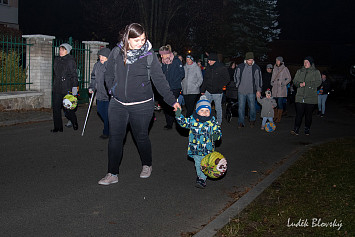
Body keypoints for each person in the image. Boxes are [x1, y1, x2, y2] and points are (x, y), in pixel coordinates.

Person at [98, 23, 181, 185]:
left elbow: (159, 80)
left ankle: (147, 164)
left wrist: (172, 100)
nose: (140, 43)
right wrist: (112, 89)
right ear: (126, 39)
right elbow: (108, 73)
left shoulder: (148, 55)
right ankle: (112, 173)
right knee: (115, 139)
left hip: (142, 105)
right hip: (118, 104)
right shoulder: (116, 52)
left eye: (143, 39)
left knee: (141, 137)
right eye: (136, 40)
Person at [175, 95, 222, 188]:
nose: (204, 113)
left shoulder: (212, 121)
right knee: (197, 164)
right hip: (195, 148)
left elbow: (218, 131)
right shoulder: (193, 120)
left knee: (204, 164)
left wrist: (216, 135)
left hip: (207, 149)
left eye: (207, 110)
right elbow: (183, 123)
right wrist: (178, 115)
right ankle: (200, 176)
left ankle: (202, 179)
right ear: (197, 111)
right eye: (202, 110)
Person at [51, 43, 78, 133]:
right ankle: (58, 127)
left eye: (63, 50)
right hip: (57, 87)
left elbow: (74, 75)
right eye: (60, 50)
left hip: (67, 87)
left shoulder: (70, 60)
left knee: (68, 108)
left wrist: (74, 88)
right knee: (56, 108)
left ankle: (74, 121)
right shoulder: (56, 60)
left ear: (67, 51)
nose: (61, 52)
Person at [291, 56, 322, 136]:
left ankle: (307, 129)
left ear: (311, 63)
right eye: (304, 62)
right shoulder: (300, 71)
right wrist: (299, 84)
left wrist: (307, 84)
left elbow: (318, 82)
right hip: (300, 96)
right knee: (299, 114)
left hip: (310, 97)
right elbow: (295, 81)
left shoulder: (316, 72)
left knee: (308, 115)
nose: (305, 64)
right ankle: (296, 129)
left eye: (307, 62)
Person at [159, 44, 185, 130]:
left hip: (175, 87)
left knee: (172, 104)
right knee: (166, 105)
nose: (161, 56)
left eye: (162, 54)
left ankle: (176, 120)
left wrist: (174, 81)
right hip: (166, 87)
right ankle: (169, 123)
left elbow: (182, 74)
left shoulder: (176, 61)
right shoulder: (163, 62)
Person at [234, 52, 262, 128]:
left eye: (252, 60)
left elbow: (258, 80)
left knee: (252, 107)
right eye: (249, 60)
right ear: (246, 59)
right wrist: (238, 85)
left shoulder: (256, 68)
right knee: (241, 107)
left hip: (251, 91)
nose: (250, 62)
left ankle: (252, 120)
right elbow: (236, 76)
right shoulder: (240, 67)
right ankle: (241, 122)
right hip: (241, 91)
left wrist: (258, 90)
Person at [200, 53, 230, 124]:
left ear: (214, 60)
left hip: (217, 92)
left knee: (218, 108)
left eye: (210, 60)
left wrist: (220, 86)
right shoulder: (208, 68)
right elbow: (205, 79)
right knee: (206, 107)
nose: (208, 62)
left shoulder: (222, 68)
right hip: (208, 91)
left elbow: (227, 79)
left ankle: (218, 123)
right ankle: (205, 121)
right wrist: (202, 90)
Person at [88, 47, 111, 139]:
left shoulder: (110, 66)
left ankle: (107, 132)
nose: (101, 57)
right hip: (99, 94)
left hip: (108, 95)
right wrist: (92, 87)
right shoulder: (96, 65)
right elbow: (93, 77)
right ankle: (111, 126)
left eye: (103, 56)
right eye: (100, 56)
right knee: (100, 111)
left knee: (107, 114)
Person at [271, 56, 292, 123]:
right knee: (274, 103)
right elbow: (273, 77)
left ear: (280, 61)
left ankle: (279, 118)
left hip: (281, 89)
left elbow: (289, 78)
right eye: (276, 60)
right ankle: (275, 116)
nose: (276, 61)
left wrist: (283, 83)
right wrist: (272, 82)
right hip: (274, 88)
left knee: (280, 103)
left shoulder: (284, 69)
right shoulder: (274, 68)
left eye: (277, 60)